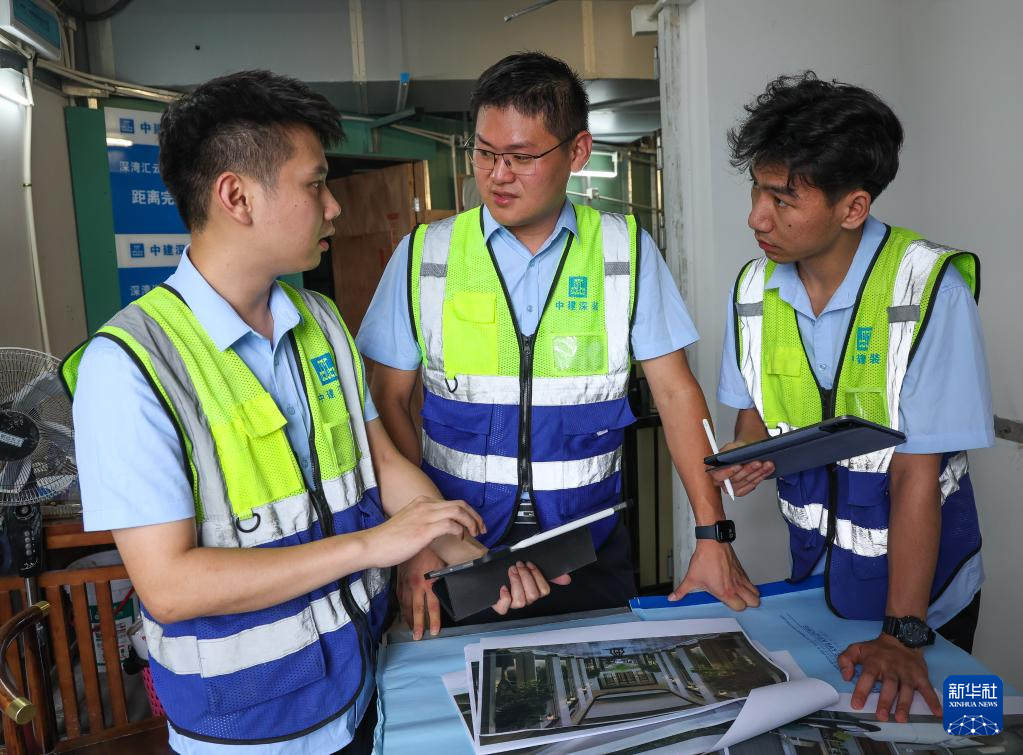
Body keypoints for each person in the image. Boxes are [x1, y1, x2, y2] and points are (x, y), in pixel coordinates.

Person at [62, 70, 490, 754]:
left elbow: (381, 463)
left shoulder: (320, 320)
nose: (334, 207)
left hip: (360, 682)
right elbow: (169, 586)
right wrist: (376, 545)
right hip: (252, 727)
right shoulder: (129, 366)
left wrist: (466, 558)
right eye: (314, 184)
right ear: (236, 196)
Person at [357, 52, 758, 639]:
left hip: (586, 545)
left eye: (521, 157)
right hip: (455, 545)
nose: (497, 175)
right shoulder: (426, 255)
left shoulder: (623, 252)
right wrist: (415, 543)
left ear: (577, 151)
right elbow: (386, 401)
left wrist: (711, 532)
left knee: (604, 687)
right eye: (485, 153)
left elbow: (676, 394)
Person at [707, 72, 994, 724]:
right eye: (756, 188)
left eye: (782, 198)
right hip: (819, 586)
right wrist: (747, 452)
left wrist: (903, 633)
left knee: (952, 730)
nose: (756, 216)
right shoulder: (753, 289)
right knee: (829, 728)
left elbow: (916, 476)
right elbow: (754, 416)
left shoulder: (927, 289)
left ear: (853, 207)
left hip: (925, 602)